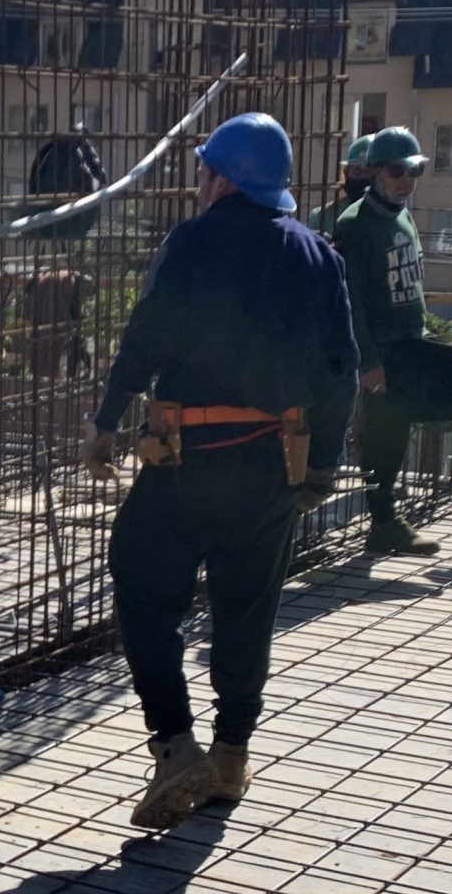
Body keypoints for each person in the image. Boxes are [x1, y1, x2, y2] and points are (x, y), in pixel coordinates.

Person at [80, 112, 358, 831]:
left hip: (186, 461)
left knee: (143, 592)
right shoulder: (318, 256)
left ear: (223, 177)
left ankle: (175, 744)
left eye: (205, 170)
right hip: (271, 465)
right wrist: (322, 464)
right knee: (246, 609)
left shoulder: (193, 242)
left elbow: (146, 337)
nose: (199, 183)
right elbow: (342, 374)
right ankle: (231, 757)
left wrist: (108, 419)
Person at [331, 126, 438, 555]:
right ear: (376, 171)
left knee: (397, 436)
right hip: (381, 349)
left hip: (409, 345)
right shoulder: (355, 224)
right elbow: (350, 299)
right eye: (397, 170)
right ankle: (383, 519)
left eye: (415, 170)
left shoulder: (404, 216)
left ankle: (387, 515)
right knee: (379, 437)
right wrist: (368, 360)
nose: (406, 180)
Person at [309, 133, 375, 232]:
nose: (362, 176)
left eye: (368, 171)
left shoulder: (392, 217)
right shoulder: (321, 217)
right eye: (357, 170)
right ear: (346, 172)